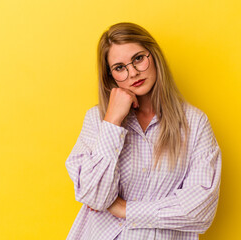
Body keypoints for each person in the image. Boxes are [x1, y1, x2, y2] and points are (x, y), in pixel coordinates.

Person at [65, 22, 222, 240]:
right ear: (110, 76)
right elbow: (94, 196)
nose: (133, 72)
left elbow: (199, 211)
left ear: (154, 56)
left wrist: (125, 209)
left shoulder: (194, 124)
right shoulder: (97, 120)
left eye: (138, 58)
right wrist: (112, 122)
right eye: (120, 67)